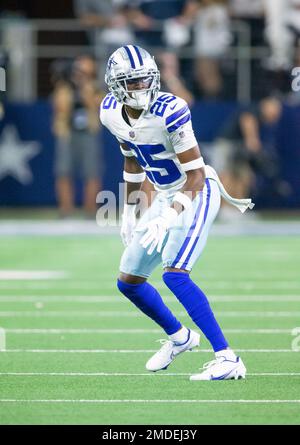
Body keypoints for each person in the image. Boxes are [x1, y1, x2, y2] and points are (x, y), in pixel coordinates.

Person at [100, 45, 254, 380]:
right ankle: (179, 337)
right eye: (133, 82)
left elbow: (196, 176)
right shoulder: (110, 110)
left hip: (196, 192)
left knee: (174, 273)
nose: (141, 88)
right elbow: (131, 159)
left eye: (145, 80)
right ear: (115, 84)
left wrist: (168, 217)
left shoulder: (171, 109)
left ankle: (228, 358)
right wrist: (130, 212)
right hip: (164, 196)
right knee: (128, 281)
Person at [52, 54, 104, 218]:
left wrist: (84, 86)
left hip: (88, 132)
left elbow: (96, 105)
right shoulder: (64, 87)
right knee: (63, 171)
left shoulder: (95, 87)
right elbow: (59, 107)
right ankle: (66, 209)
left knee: (92, 171)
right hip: (68, 133)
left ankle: (90, 210)